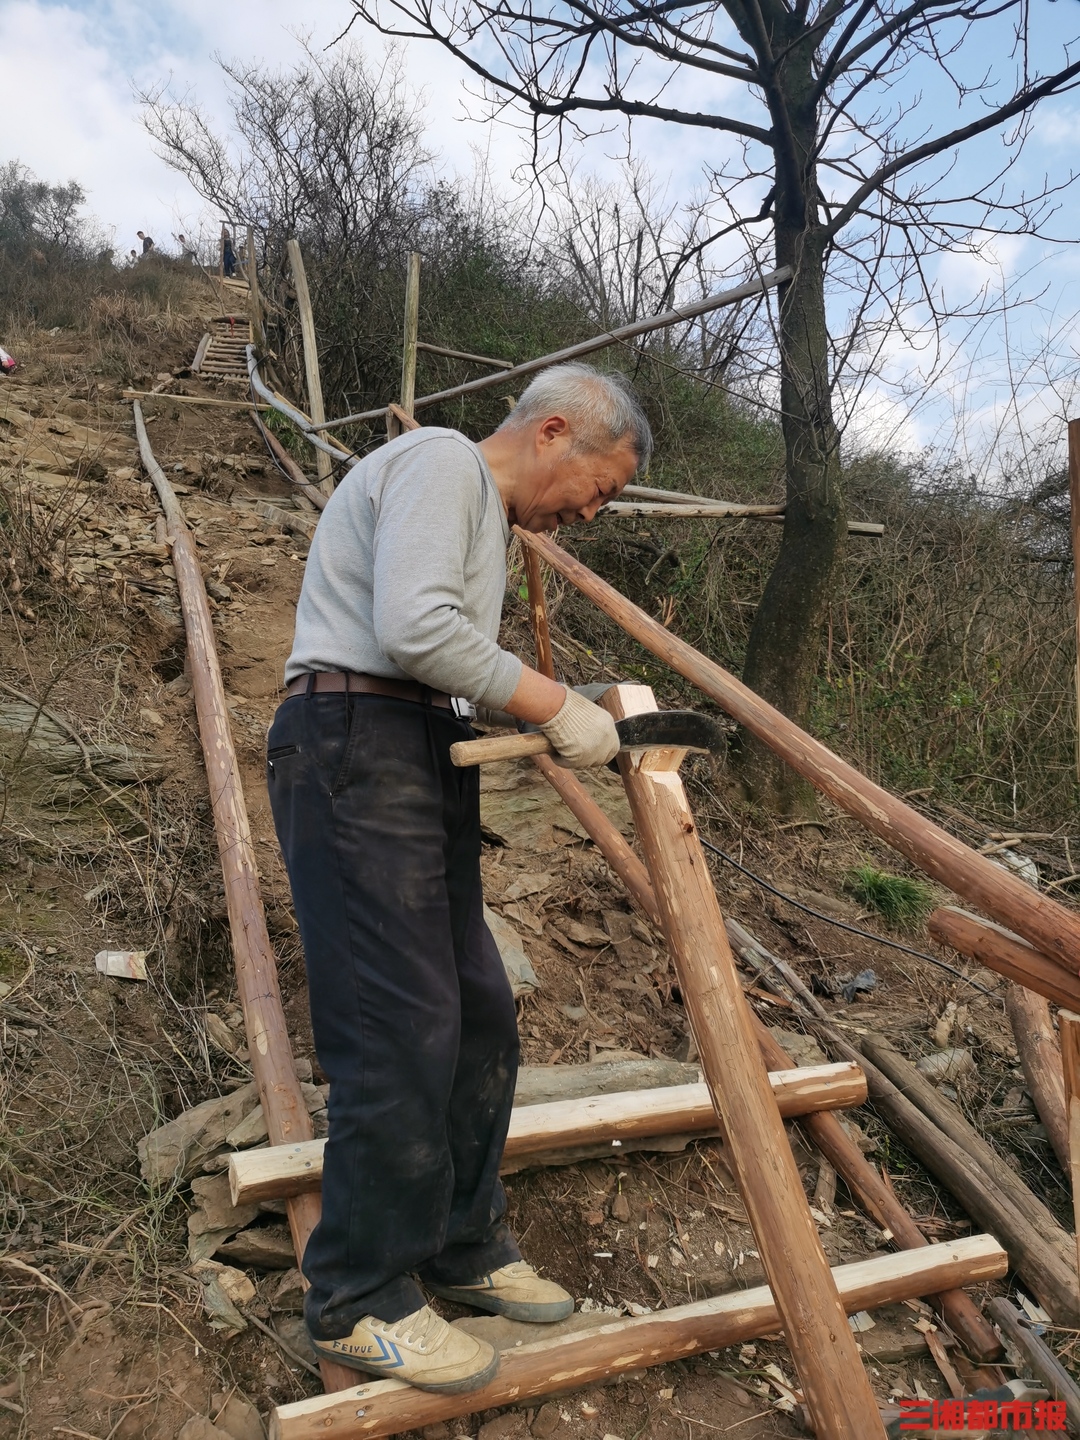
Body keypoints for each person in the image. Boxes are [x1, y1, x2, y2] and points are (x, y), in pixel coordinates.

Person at [267, 362, 650, 1394]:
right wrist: (552, 703)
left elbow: (446, 662)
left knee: (478, 1010)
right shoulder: (441, 461)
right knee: (402, 1021)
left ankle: (461, 1242)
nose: (592, 511)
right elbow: (416, 630)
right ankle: (357, 1296)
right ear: (554, 432)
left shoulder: (483, 513)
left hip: (416, 746)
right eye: (599, 487)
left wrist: (548, 703)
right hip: (353, 741)